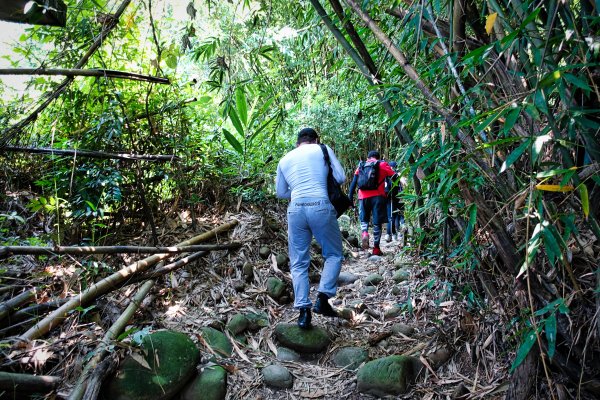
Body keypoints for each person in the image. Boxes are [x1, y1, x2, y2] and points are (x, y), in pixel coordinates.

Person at [276, 127, 346, 329]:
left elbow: (280, 192)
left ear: (298, 143)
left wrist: (299, 190)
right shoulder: (322, 149)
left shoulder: (285, 159)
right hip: (320, 205)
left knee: (298, 262)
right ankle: (323, 298)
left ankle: (303, 313)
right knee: (333, 254)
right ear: (316, 139)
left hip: (295, 209)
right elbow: (340, 178)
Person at [348, 150, 396, 255]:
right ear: (377, 157)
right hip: (378, 197)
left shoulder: (362, 165)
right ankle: (376, 248)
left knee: (364, 219)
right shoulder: (382, 164)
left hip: (363, 197)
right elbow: (394, 175)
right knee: (377, 222)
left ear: (368, 158)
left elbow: (353, 183)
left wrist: (350, 199)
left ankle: (364, 233)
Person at [385, 161, 404, 242]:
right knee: (397, 216)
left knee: (391, 216)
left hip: (388, 197)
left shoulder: (386, 174)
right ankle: (394, 234)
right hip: (397, 197)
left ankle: (390, 234)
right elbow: (403, 185)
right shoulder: (397, 174)